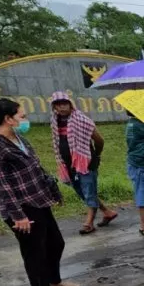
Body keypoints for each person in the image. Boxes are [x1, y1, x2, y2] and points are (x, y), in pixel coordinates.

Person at [0, 98, 82, 286]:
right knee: (35, 251)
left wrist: (53, 192)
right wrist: (17, 215)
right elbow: (2, 185)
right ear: (8, 119)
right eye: (22, 116)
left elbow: (35, 167)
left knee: (55, 243)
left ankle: (54, 282)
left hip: (38, 199)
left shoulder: (18, 137)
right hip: (21, 206)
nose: (26, 120)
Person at [49, 92, 116, 235]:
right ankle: (107, 212)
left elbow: (99, 140)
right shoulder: (55, 122)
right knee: (82, 191)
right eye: (58, 104)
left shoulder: (81, 120)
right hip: (68, 164)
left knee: (88, 190)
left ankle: (89, 223)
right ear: (54, 106)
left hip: (86, 163)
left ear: (70, 104)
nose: (62, 107)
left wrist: (95, 156)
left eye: (65, 103)